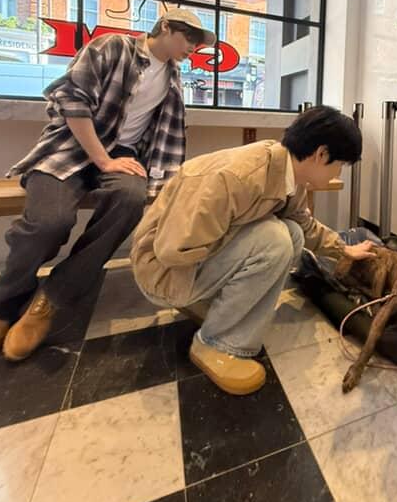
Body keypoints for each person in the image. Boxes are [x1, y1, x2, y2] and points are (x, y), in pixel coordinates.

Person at [0, 8, 216, 362]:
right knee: (49, 222)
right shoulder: (112, 47)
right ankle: (4, 302)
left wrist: (162, 182)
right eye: (189, 37)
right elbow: (71, 99)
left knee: (130, 200)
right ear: (165, 27)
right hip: (70, 148)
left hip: (123, 156)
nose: (194, 47)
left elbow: (166, 137)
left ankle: (51, 299)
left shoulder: (173, 79)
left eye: (198, 42)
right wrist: (103, 160)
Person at [131, 105, 375, 396]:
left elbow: (303, 225)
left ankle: (214, 307)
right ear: (321, 154)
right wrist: (251, 235)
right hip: (164, 272)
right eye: (340, 165)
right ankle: (215, 343)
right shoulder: (238, 176)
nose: (338, 172)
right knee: (273, 238)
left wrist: (343, 249)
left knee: (291, 234)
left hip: (188, 262)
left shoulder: (288, 174)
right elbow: (173, 249)